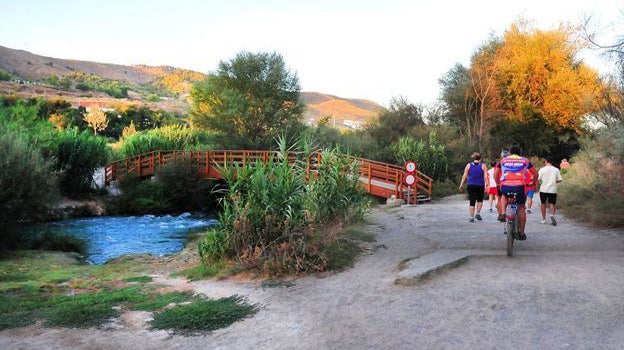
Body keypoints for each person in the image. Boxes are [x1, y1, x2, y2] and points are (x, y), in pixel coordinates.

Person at [494, 146, 538, 240]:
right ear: (520, 153)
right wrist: (533, 183)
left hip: (506, 185)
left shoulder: (503, 160)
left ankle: (502, 213)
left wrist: (498, 183)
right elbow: (535, 173)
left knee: (504, 196)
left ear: (510, 153)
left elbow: (496, 172)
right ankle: (521, 233)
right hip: (520, 186)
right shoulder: (525, 161)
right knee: (521, 207)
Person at [459, 152, 489, 223]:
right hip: (480, 185)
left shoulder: (468, 165)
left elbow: (464, 175)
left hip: (471, 185)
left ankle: (471, 217)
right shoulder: (483, 166)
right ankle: (478, 213)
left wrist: (461, 184)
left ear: (473, 158)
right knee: (480, 200)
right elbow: (485, 176)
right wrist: (487, 184)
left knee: (472, 201)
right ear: (480, 158)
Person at [538, 158, 563, 226]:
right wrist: (553, 181)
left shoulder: (542, 169)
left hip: (543, 189)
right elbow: (560, 180)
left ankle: (543, 219)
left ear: (546, 162)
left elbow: (538, 179)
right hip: (552, 189)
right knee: (552, 203)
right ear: (552, 162)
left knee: (543, 203)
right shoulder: (556, 169)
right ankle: (552, 215)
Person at [495, 148, 510, 220]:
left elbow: (496, 173)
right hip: (512, 183)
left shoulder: (500, 162)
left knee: (500, 199)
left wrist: (497, 182)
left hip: (501, 183)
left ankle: (500, 214)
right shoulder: (511, 162)